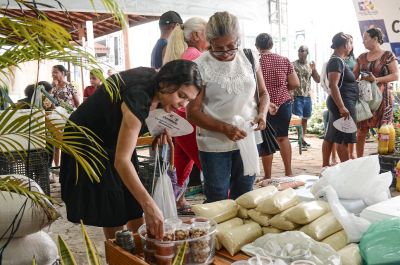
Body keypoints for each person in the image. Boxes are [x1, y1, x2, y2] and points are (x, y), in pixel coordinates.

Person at [59, 60, 203, 240]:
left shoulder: (158, 88)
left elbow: (143, 120)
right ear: (166, 83)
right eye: (182, 95)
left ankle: (142, 248)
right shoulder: (138, 95)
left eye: (188, 99)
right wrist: (150, 205)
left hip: (113, 136)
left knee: (133, 202)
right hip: (88, 140)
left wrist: (157, 130)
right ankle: (120, 252)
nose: (183, 104)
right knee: (113, 207)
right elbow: (122, 161)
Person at [187, 11, 269, 203]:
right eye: (218, 48)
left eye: (232, 47)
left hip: (248, 137)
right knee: (218, 196)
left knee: (245, 193)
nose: (226, 54)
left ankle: (240, 232)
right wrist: (225, 128)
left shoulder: (249, 57)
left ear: (238, 39)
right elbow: (193, 113)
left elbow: (264, 94)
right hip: (214, 143)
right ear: (209, 42)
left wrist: (262, 114)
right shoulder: (199, 66)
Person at [162, 17, 208, 213]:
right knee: (208, 164)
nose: (210, 37)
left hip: (178, 118)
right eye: (207, 32)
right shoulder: (197, 56)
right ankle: (223, 203)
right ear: (197, 35)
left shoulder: (187, 54)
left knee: (181, 164)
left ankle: (171, 203)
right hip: (188, 118)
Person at [255, 33, 299, 179]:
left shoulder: (255, 62)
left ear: (257, 46)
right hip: (283, 103)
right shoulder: (284, 60)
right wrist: (282, 87)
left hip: (264, 106)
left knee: (267, 140)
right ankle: (289, 172)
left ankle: (267, 176)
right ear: (271, 45)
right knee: (283, 137)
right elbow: (295, 83)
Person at [353, 27, 399, 157]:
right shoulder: (361, 57)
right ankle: (359, 160)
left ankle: (384, 159)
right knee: (361, 130)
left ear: (375, 39)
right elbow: (353, 76)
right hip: (365, 100)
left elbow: (395, 75)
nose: (363, 42)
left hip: (383, 99)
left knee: (384, 130)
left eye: (366, 39)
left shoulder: (388, 56)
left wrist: (376, 79)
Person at [322, 33, 358, 167]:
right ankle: (346, 171)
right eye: (350, 43)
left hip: (341, 103)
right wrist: (342, 107)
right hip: (342, 105)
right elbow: (333, 85)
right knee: (342, 139)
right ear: (344, 45)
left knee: (333, 136)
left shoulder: (339, 60)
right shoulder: (336, 60)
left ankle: (326, 167)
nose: (352, 46)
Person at [292, 45, 320, 148]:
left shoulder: (310, 66)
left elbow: (318, 80)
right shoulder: (293, 65)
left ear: (307, 53)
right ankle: (301, 139)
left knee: (305, 118)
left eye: (302, 51)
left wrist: (314, 69)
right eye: (299, 51)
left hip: (307, 96)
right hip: (297, 95)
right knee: (298, 118)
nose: (300, 52)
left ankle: (302, 138)